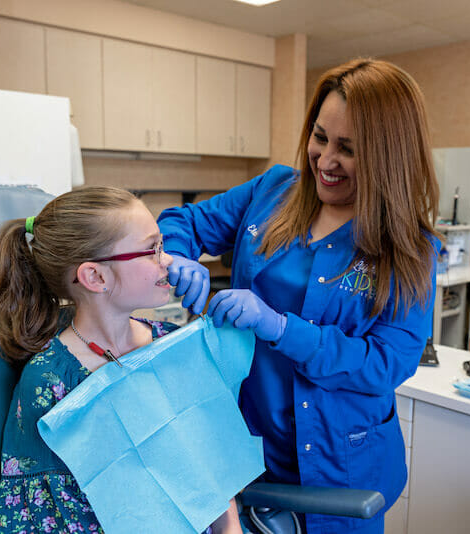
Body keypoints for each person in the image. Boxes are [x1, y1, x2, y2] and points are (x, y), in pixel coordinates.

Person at [159, 58, 441, 533]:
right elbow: (183, 221)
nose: (325, 160)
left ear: (387, 156)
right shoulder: (273, 192)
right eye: (319, 137)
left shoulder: (408, 248)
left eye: (348, 149)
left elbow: (387, 364)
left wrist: (282, 328)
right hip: (249, 450)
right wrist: (180, 256)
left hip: (342, 471)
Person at [0, 186, 241, 534]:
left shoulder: (171, 344)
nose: (167, 260)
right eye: (151, 250)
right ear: (95, 276)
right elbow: (51, 515)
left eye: (162, 246)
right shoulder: (51, 382)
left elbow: (212, 467)